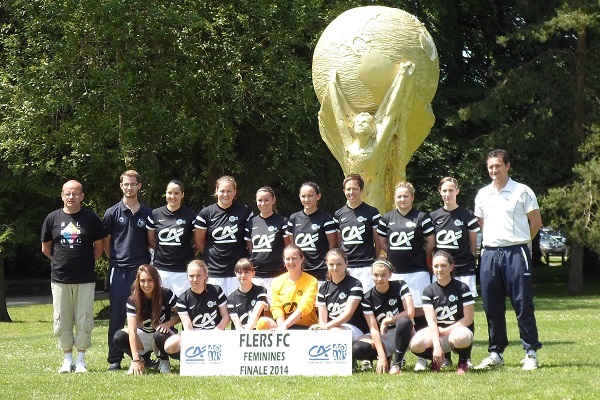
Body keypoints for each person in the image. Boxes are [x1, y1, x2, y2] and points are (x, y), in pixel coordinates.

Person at [474, 149, 543, 371]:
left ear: (507, 166)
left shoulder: (522, 191)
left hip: (516, 253)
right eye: (490, 167)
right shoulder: (483, 194)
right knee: (492, 305)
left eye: (498, 166)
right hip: (490, 254)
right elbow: (482, 224)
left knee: (522, 303)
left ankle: (530, 352)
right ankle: (496, 353)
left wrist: (520, 242)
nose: (494, 170)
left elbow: (536, 223)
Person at [41, 180, 107, 373]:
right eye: (67, 193)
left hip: (85, 279)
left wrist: (84, 262)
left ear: (82, 196)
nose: (71, 197)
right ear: (62, 195)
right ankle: (66, 359)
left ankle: (80, 361)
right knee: (62, 319)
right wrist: (60, 261)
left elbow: (100, 247)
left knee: (84, 318)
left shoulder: (90, 218)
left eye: (75, 194)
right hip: (60, 279)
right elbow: (46, 248)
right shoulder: (52, 218)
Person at [377, 181, 435, 372]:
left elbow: (431, 243)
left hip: (417, 273)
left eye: (405, 196)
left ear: (412, 197)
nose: (402, 199)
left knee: (419, 314)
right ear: (395, 198)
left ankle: (422, 356)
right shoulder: (386, 219)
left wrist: (418, 258)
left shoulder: (422, 217)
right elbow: (383, 242)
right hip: (396, 273)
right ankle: (398, 356)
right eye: (399, 196)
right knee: (397, 315)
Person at [103, 170, 153, 371]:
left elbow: (151, 242)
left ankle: (145, 356)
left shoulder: (148, 213)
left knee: (144, 315)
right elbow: (107, 245)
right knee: (117, 315)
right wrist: (117, 259)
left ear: (139, 186)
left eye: (133, 184)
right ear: (121, 186)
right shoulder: (111, 212)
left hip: (141, 272)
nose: (129, 187)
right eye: (126, 184)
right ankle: (114, 359)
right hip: (120, 270)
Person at [429, 176, 479, 367]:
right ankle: (447, 357)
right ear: (440, 193)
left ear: (457, 191)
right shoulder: (433, 217)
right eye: (444, 190)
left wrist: (470, 260)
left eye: (451, 190)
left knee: (465, 312)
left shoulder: (467, 215)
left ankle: (466, 357)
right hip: (441, 271)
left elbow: (473, 243)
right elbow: (432, 244)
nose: (448, 194)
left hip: (464, 268)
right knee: (443, 311)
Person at [409, 251, 475, 374]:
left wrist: (444, 331)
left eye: (443, 265)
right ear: (432, 268)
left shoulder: (462, 288)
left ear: (451, 267)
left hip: (456, 331)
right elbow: (431, 321)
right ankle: (437, 360)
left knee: (462, 337)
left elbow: (468, 319)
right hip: (437, 331)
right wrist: (437, 347)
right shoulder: (428, 291)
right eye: (436, 266)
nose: (439, 269)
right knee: (415, 345)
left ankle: (463, 361)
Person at [112, 265, 179, 375]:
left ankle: (164, 360)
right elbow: (132, 331)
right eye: (142, 281)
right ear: (138, 282)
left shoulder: (166, 294)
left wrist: (168, 324)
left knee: (160, 333)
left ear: (156, 280)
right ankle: (142, 361)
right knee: (119, 336)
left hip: (161, 335)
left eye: (150, 280)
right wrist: (135, 359)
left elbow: (181, 315)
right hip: (143, 335)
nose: (146, 285)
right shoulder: (133, 300)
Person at [352, 259, 415, 374]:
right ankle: (387, 357)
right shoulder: (367, 298)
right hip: (383, 337)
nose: (379, 279)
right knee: (358, 349)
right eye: (376, 275)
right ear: (371, 275)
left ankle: (397, 363)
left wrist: (387, 320)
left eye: (383, 275)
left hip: (402, 332)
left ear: (390, 274)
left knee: (404, 321)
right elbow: (373, 328)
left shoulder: (400, 285)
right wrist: (381, 356)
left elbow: (410, 312)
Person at [195, 175, 253, 296]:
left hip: (237, 271)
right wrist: (213, 258)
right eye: (222, 191)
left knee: (237, 310)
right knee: (216, 309)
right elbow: (199, 242)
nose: (225, 194)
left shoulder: (244, 211)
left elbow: (249, 239)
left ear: (235, 192)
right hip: (214, 271)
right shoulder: (206, 213)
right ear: (216, 191)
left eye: (229, 191)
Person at [164, 260, 230, 357]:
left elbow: (226, 317)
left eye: (198, 275)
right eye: (191, 276)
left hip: (216, 332)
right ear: (187, 276)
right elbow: (188, 328)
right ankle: (187, 358)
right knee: (169, 345)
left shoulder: (216, 291)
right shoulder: (182, 299)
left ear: (205, 275)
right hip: (194, 335)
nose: (195, 279)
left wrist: (216, 333)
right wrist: (197, 341)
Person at [147, 180, 197, 296]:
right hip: (161, 269)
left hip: (183, 271)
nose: (172, 196)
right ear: (165, 194)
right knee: (161, 306)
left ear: (182, 195)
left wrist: (186, 253)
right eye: (170, 193)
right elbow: (151, 240)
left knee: (181, 308)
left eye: (176, 193)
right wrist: (162, 252)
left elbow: (198, 242)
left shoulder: (190, 215)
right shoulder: (155, 214)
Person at [334, 174, 381, 292]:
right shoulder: (338, 214)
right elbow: (339, 241)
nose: (351, 192)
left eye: (355, 188)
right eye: (348, 189)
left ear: (361, 190)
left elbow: (378, 240)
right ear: (344, 191)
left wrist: (375, 259)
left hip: (366, 266)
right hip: (346, 266)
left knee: (366, 303)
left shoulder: (372, 212)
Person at [310, 248, 368, 340]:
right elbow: (322, 320)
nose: (335, 268)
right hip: (331, 328)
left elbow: (347, 315)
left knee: (334, 333)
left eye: (339, 264)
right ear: (327, 265)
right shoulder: (323, 288)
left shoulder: (355, 284)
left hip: (353, 327)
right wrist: (321, 328)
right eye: (331, 264)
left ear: (346, 264)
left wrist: (326, 327)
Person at [286, 182, 337, 282]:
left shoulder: (326, 218)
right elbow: (292, 246)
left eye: (310, 196)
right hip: (300, 271)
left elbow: (332, 245)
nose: (306, 199)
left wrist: (328, 267)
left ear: (318, 196)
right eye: (303, 196)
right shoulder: (294, 218)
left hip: (320, 272)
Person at [245, 186, 291, 293]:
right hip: (256, 276)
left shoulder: (283, 221)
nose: (263, 204)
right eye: (260, 200)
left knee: (276, 308)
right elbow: (250, 249)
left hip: (278, 275)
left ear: (273, 200)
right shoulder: (250, 223)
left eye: (266, 200)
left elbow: (288, 247)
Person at [269, 245, 318, 330]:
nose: (291, 262)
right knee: (262, 322)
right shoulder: (276, 282)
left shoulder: (312, 281)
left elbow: (305, 306)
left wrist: (285, 326)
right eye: (287, 259)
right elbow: (276, 308)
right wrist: (282, 327)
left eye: (294, 258)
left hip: (307, 328)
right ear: (284, 260)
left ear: (302, 259)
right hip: (284, 327)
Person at [226, 258, 270, 330]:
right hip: (239, 334)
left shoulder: (261, 291)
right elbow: (237, 325)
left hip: (256, 333)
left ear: (253, 273)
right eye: (240, 272)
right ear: (235, 274)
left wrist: (247, 333)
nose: (243, 275)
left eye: (246, 272)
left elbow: (256, 314)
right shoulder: (231, 298)